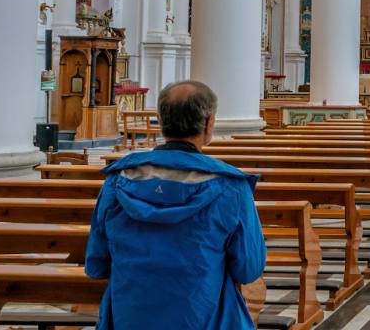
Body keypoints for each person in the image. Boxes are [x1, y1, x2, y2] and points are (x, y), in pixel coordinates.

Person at [84, 80, 265, 330]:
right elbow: (248, 268)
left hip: (130, 319)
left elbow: (96, 265)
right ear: (209, 122)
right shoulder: (231, 187)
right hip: (204, 319)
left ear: (160, 120)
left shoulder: (117, 182)